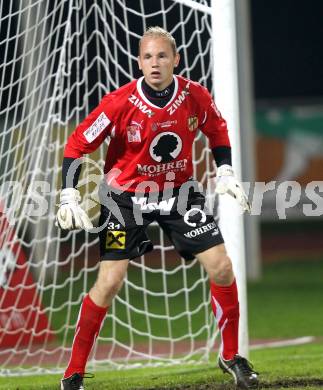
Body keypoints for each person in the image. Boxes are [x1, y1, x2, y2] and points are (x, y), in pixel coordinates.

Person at [56, 26, 259, 390]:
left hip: (179, 194)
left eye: (162, 56)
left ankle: (231, 356)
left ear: (175, 60)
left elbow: (217, 130)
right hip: (125, 198)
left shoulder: (194, 95)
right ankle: (73, 373)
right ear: (139, 62)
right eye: (147, 56)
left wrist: (225, 169)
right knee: (109, 282)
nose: (155, 63)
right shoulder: (118, 102)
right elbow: (75, 146)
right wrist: (68, 195)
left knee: (222, 267)